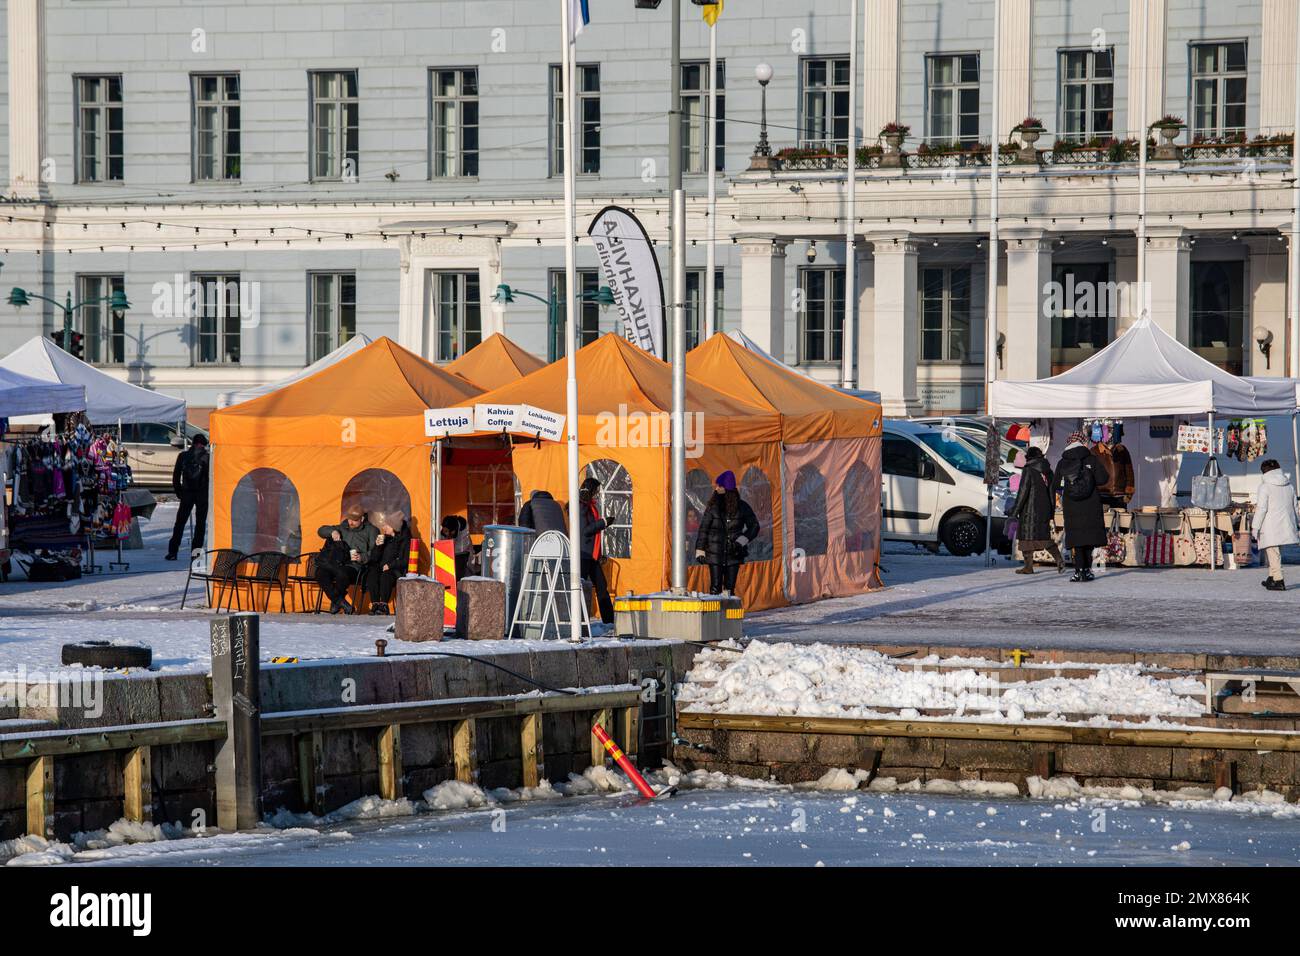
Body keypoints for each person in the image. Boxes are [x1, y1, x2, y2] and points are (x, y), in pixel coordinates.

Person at [1053, 431, 1110, 583]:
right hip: (1091, 504)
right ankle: (1087, 570)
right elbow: (1104, 478)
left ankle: (1078, 571)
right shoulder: (1092, 459)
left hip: (1072, 506)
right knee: (1089, 538)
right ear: (1084, 442)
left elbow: (1056, 485)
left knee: (1077, 539)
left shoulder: (1062, 462)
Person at [693, 470, 760, 596]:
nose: (716, 488)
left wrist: (741, 541)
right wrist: (700, 549)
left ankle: (728, 614)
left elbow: (754, 526)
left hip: (734, 553)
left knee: (729, 589)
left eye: (719, 485)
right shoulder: (713, 507)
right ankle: (715, 615)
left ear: (726, 488)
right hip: (714, 554)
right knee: (715, 588)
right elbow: (704, 529)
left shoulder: (742, 507)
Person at [1007, 446, 1065, 575]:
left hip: (1029, 510)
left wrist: (1015, 511)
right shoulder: (1048, 471)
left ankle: (1028, 567)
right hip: (1044, 509)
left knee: (1026, 539)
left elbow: (1023, 492)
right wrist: (1051, 511)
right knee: (1043, 537)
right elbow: (1052, 492)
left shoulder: (1029, 470)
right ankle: (1059, 560)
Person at [315, 507, 377, 614]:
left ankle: (336, 603)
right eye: (349, 519)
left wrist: (362, 557)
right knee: (320, 573)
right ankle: (339, 601)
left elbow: (375, 551)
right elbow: (320, 530)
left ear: (362, 519)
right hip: (336, 563)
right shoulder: (342, 527)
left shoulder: (371, 530)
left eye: (354, 520)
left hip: (354, 565)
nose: (351, 522)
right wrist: (332, 531)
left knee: (342, 574)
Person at [1251, 458, 1298, 591]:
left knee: (1272, 552)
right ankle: (1272, 577)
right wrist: (1297, 522)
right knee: (1276, 553)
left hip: (1270, 525)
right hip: (1285, 524)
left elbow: (1261, 508)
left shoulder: (1265, 487)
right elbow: (1295, 506)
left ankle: (1279, 580)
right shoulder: (1289, 485)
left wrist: (1255, 526)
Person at [577, 477, 616, 624]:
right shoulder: (581, 506)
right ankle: (578, 621)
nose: (598, 494)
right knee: (579, 588)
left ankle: (609, 621)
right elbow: (585, 531)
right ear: (591, 490)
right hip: (583, 555)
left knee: (601, 587)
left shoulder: (590, 506)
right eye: (597, 490)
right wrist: (604, 522)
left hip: (592, 555)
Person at [165, 434, 209, 561]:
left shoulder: (183, 456)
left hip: (187, 493)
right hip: (202, 494)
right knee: (200, 525)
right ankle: (196, 554)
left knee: (180, 523)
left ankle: (172, 551)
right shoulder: (207, 457)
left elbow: (176, 476)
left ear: (193, 443)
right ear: (203, 444)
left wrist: (179, 491)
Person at [364, 513, 411, 615]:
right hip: (382, 567)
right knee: (373, 572)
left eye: (386, 525)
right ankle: (375, 604)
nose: (383, 527)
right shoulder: (386, 538)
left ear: (394, 526)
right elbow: (374, 558)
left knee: (386, 575)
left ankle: (384, 605)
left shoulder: (405, 539)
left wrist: (390, 565)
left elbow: (405, 560)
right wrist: (377, 546)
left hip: (396, 570)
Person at [439, 514, 474, 580]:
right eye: (444, 531)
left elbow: (460, 552)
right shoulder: (443, 530)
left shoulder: (463, 533)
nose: (445, 533)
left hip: (463, 556)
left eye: (446, 531)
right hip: (455, 555)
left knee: (462, 570)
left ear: (453, 531)